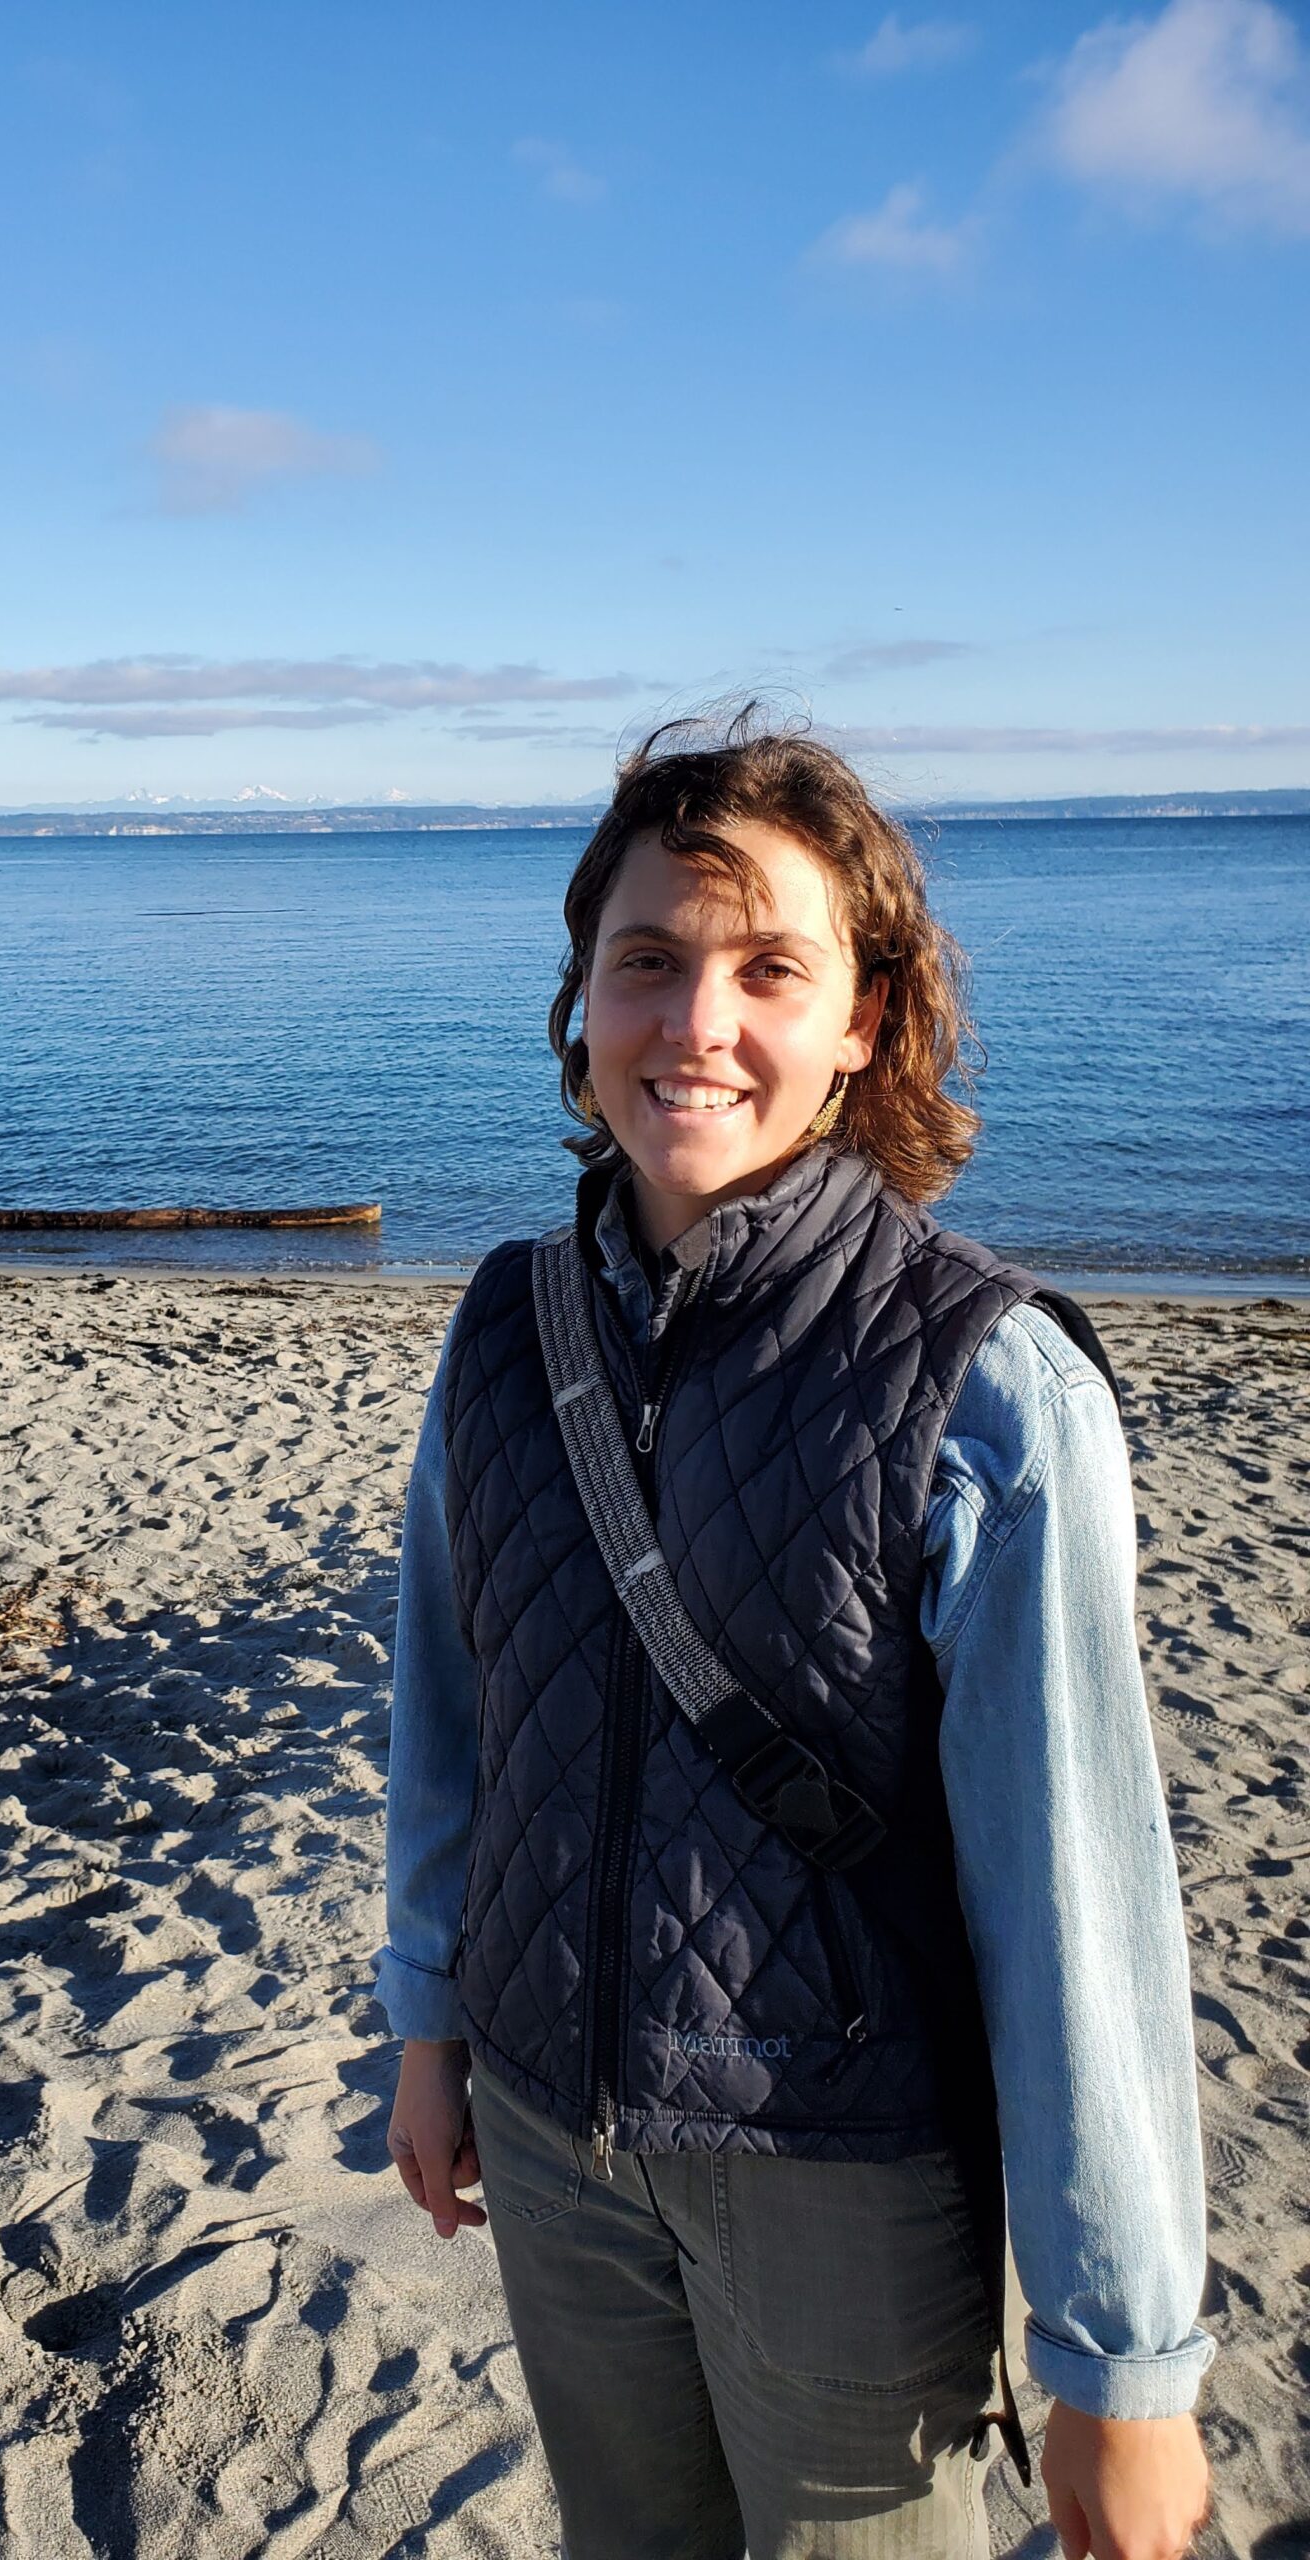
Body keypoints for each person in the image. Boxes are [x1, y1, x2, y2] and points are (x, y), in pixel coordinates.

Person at [375, 717, 1213, 2560]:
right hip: (544, 2118)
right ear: (582, 1003)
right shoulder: (503, 1327)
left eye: (772, 969)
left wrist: (1120, 2367)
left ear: (863, 1023)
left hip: (841, 2174)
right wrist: (429, 2027)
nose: (697, 1024)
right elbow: (454, 1716)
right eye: (650, 961)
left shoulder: (986, 1382)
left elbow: (1079, 1894)